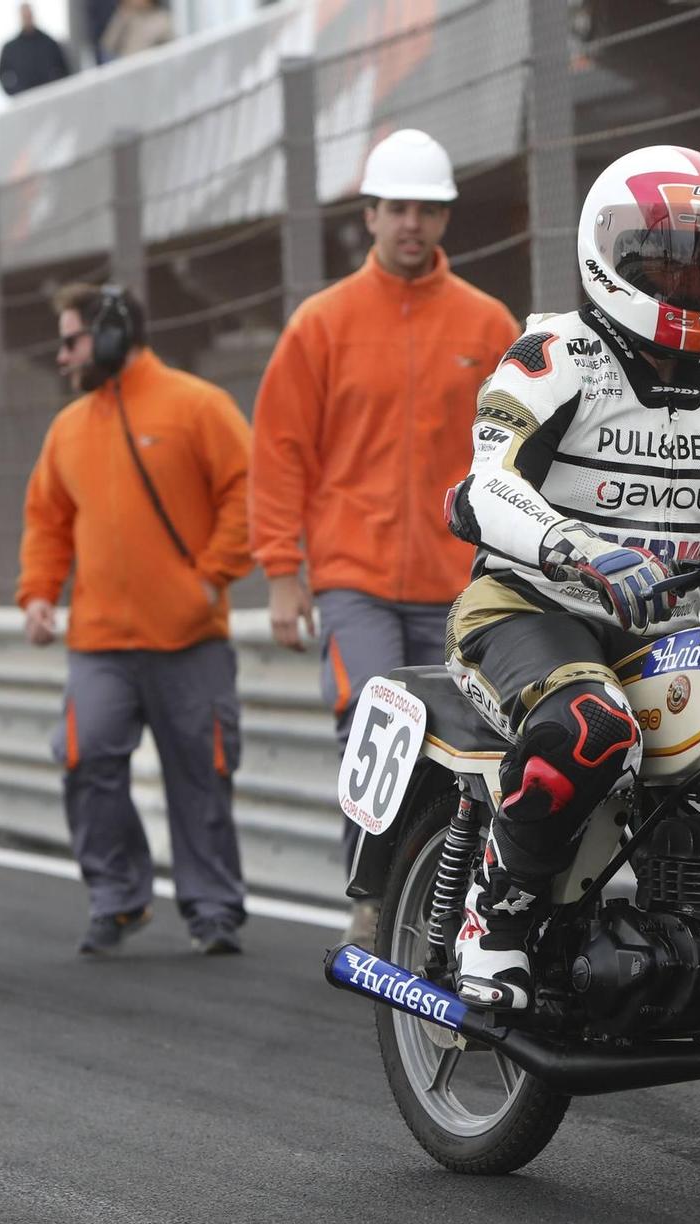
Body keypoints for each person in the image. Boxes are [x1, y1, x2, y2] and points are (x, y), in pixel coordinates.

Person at [441, 144, 700, 1011]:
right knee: (590, 728)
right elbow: (480, 487)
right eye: (670, 256)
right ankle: (496, 922)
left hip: (660, 625)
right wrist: (581, 550)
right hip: (525, 606)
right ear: (612, 253)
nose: (694, 278)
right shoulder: (555, 354)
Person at [250, 128, 519, 943]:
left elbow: (521, 447)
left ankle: (444, 914)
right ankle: (370, 902)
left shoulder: (487, 323)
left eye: (429, 210)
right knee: (374, 728)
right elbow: (279, 450)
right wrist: (281, 573)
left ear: (445, 219)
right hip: (353, 578)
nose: (413, 223)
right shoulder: (321, 325)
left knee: (462, 748)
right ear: (368, 216)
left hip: (460, 583)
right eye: (397, 208)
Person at [18, 283, 255, 956]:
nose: (62, 356)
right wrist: (38, 591)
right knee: (84, 754)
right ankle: (119, 897)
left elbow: (249, 487)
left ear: (116, 333)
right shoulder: (67, 428)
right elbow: (47, 520)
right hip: (98, 643)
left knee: (200, 772)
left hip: (191, 641)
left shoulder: (197, 406)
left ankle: (212, 910)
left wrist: (209, 579)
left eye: (72, 340)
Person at [0, 4, 72, 97]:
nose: (27, 18)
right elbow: (2, 74)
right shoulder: (10, 49)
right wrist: (15, 92)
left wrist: (55, 85)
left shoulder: (49, 42)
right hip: (25, 98)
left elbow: (64, 68)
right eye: (24, 16)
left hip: (50, 95)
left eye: (29, 15)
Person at [99, 0, 173, 61]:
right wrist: (122, 15)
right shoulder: (129, 16)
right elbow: (107, 47)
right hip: (125, 70)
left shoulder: (161, 20)